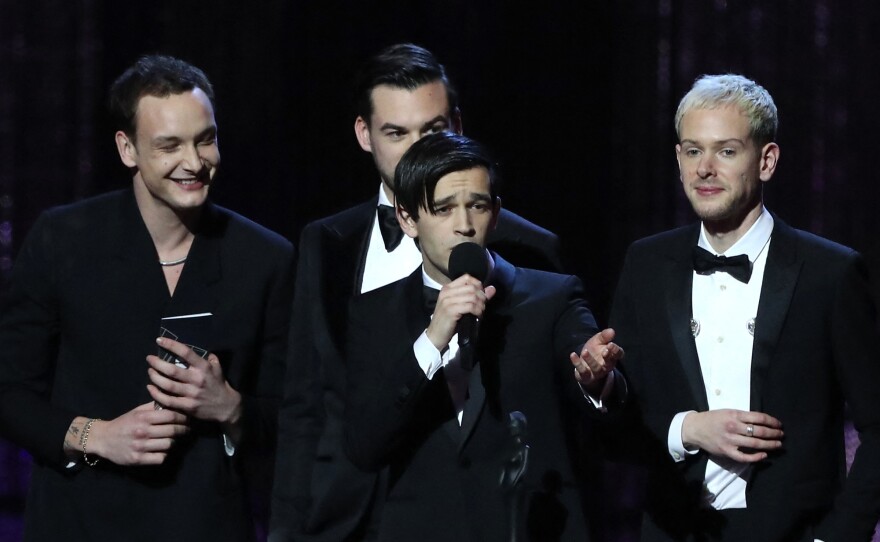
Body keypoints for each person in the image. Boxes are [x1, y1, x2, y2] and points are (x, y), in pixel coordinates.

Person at [269, 43, 563, 541]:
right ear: (365, 135)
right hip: (347, 515)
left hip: (470, 515)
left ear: (458, 127)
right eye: (395, 133)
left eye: (432, 131)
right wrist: (287, 528)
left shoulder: (524, 246)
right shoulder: (328, 243)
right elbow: (305, 403)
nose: (417, 151)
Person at [0, 55, 295, 541]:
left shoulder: (265, 258)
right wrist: (97, 436)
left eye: (206, 139)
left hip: (205, 524)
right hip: (81, 522)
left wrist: (230, 407)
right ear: (128, 149)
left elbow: (295, 415)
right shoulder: (64, 240)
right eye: (170, 145)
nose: (195, 162)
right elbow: (9, 391)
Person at [609, 74, 880, 541]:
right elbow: (620, 426)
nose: (705, 169)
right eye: (693, 151)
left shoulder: (830, 273)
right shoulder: (646, 263)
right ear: (678, 160)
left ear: (767, 161)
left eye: (726, 151)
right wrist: (686, 429)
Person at [342, 131, 626, 542]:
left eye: (476, 206)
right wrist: (433, 338)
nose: (463, 226)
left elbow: (594, 383)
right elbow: (364, 448)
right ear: (407, 218)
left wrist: (598, 379)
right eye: (443, 209)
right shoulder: (373, 313)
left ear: (495, 213)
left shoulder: (552, 297)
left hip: (530, 529)